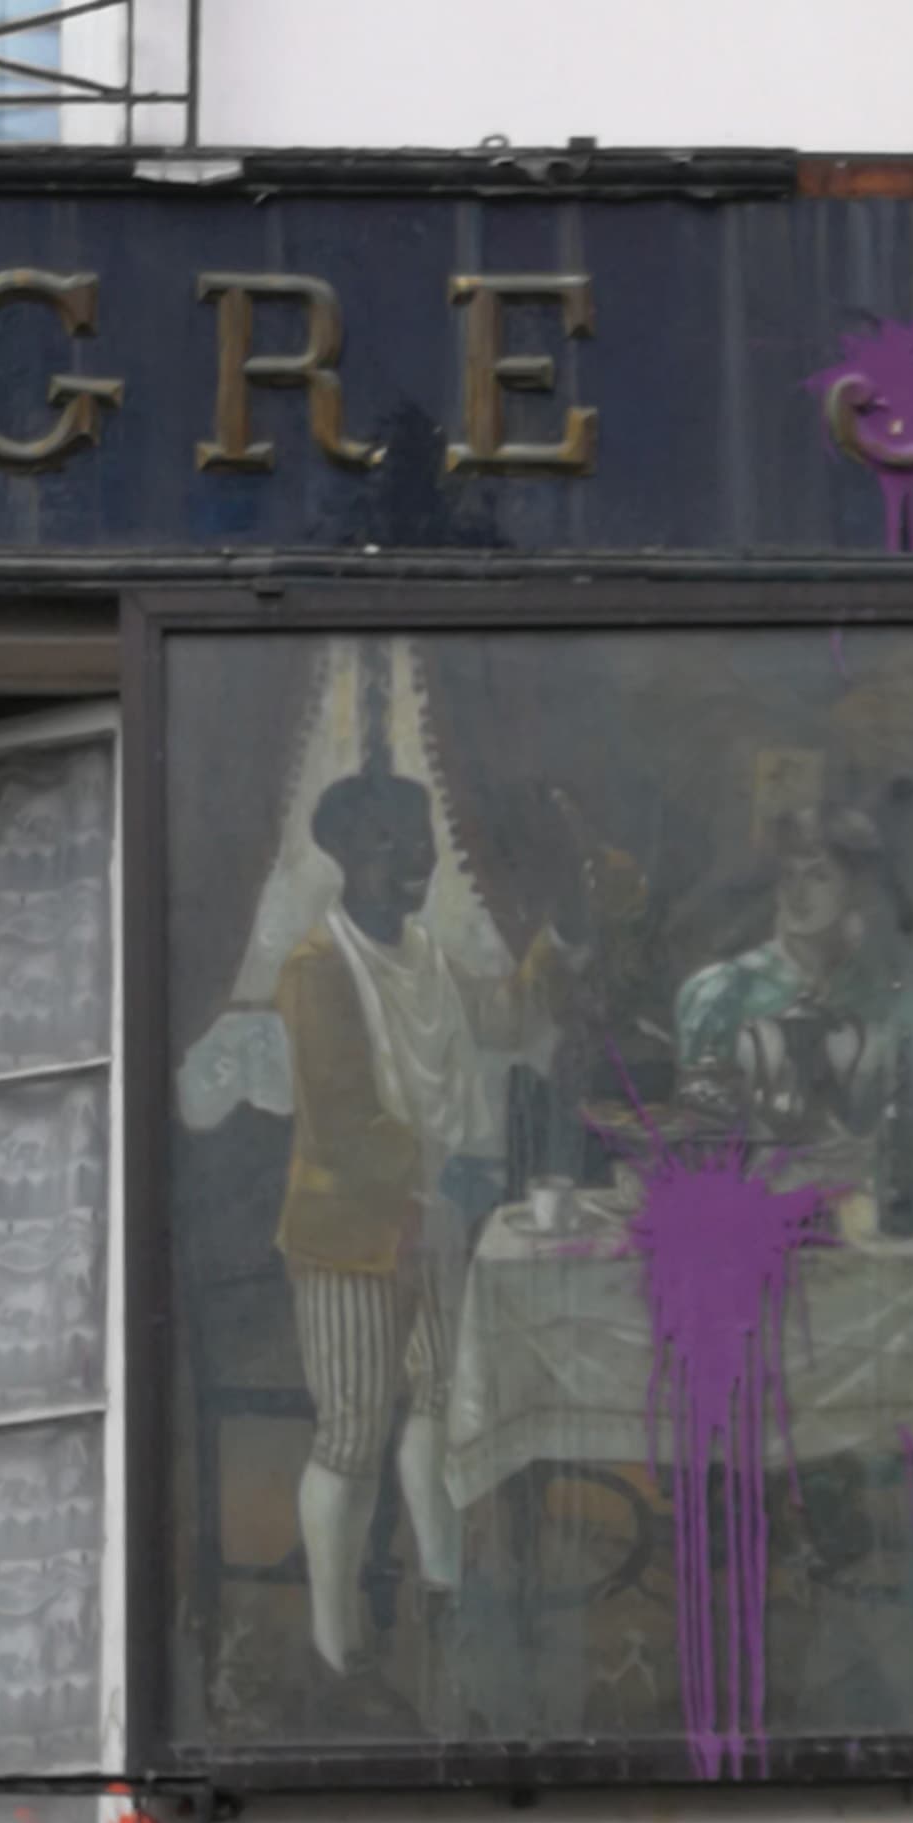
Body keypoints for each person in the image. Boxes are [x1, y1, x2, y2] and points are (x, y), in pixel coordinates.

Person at [274, 696, 569, 1677]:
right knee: (355, 1428)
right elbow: (343, 1119)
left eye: (426, 845)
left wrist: (559, 942)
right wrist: (443, 1170)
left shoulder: (426, 955)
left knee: (444, 1397)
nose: (420, 861)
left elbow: (502, 1016)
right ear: (348, 855)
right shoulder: (316, 970)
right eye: (397, 844)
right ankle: (332, 1640)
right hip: (351, 1235)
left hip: (435, 1221)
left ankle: (442, 1590)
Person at [673, 803, 913, 1142]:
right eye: (788, 874)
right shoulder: (725, 991)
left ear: (854, 887)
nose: (798, 893)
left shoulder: (885, 996)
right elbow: (696, 1128)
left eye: (818, 875)